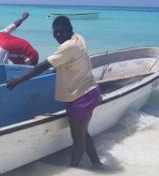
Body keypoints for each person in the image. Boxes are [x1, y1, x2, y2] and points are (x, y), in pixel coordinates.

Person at [6, 16, 102, 168]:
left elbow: (42, 66)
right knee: (83, 133)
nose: (57, 35)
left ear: (69, 30)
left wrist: (18, 80)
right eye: (55, 32)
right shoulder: (79, 38)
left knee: (78, 139)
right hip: (89, 92)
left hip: (81, 97)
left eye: (60, 32)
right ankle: (96, 163)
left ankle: (73, 172)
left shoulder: (68, 47)